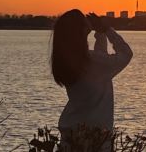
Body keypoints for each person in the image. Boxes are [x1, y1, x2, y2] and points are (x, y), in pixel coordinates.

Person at [51, 9, 133, 150]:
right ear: (81, 30)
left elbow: (100, 58)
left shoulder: (68, 62)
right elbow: (126, 54)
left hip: (70, 131)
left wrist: (100, 33)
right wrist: (107, 30)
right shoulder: (92, 62)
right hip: (95, 137)